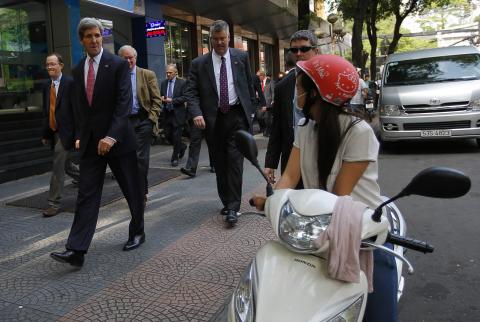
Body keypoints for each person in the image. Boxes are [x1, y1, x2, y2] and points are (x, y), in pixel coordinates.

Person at [253, 54, 398, 322]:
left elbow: (340, 196)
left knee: (379, 312)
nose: (295, 97)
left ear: (316, 95)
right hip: (319, 227)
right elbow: (289, 178)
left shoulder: (359, 132)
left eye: (298, 90)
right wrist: (273, 200)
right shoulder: (306, 129)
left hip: (360, 230)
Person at [50, 17, 145, 267]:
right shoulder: (76, 70)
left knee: (132, 190)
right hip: (92, 144)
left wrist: (111, 136)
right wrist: (79, 137)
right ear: (81, 40)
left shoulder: (117, 65)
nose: (94, 40)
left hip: (120, 141)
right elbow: (81, 108)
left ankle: (137, 231)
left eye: (97, 35)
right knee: (86, 195)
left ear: (102, 37)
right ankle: (77, 250)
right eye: (89, 36)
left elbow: (123, 103)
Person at [185, 20, 255, 226]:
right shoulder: (199, 64)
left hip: (236, 117)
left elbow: (248, 84)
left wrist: (250, 111)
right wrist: (196, 113)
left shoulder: (241, 57)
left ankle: (233, 207)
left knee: (235, 162)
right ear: (210, 40)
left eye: (223, 39)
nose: (220, 43)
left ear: (229, 38)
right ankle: (226, 200)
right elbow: (191, 92)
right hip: (213, 120)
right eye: (215, 40)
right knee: (220, 163)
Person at [264, 30, 318, 183]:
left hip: (319, 157)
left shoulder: (326, 81)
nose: (299, 53)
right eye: (294, 50)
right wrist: (270, 163)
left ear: (316, 50)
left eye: (304, 49)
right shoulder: (283, 86)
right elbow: (277, 127)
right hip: (291, 157)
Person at [118, 45, 161, 202]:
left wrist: (151, 120)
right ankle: (140, 187)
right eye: (125, 58)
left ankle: (140, 194)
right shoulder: (117, 76)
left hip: (143, 121)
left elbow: (157, 100)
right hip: (125, 123)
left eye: (131, 57)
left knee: (140, 159)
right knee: (128, 160)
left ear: (136, 58)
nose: (129, 60)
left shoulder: (147, 74)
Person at [41, 52, 75, 217]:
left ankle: (53, 203)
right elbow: (46, 111)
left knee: (57, 165)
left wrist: (79, 135)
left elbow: (78, 110)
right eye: (47, 64)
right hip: (53, 130)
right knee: (66, 165)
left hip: (67, 131)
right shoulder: (46, 86)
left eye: (53, 64)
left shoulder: (70, 83)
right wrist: (45, 134)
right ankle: (89, 181)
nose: (49, 67)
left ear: (61, 65)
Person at [160, 64, 187, 167]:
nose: (168, 74)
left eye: (170, 72)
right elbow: (161, 95)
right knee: (167, 135)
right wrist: (162, 98)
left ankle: (174, 158)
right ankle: (182, 146)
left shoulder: (182, 83)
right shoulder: (163, 83)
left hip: (178, 114)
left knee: (176, 136)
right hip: (167, 113)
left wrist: (173, 100)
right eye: (167, 72)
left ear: (175, 73)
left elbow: (185, 97)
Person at [257, 70, 274, 137]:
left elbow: (273, 92)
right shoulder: (259, 83)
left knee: (267, 118)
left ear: (262, 75)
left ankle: (268, 131)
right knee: (259, 116)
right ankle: (265, 129)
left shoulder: (270, 81)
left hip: (268, 103)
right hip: (261, 103)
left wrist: (273, 101)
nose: (257, 77)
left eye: (258, 76)